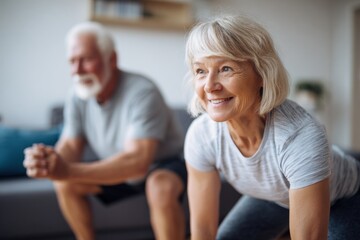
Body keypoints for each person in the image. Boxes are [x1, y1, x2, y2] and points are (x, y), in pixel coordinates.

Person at [184, 15, 360, 240]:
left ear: (262, 74)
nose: (210, 86)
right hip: (276, 196)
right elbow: (203, 232)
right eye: (200, 71)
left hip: (346, 198)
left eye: (226, 68)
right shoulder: (201, 136)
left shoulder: (299, 136)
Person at [23, 21, 187, 240]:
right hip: (116, 166)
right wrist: (49, 161)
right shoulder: (77, 94)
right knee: (65, 184)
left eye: (86, 60)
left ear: (112, 59)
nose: (77, 71)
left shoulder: (143, 91)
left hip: (161, 164)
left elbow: (137, 162)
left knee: (160, 186)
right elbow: (71, 145)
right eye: (72, 62)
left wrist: (66, 170)